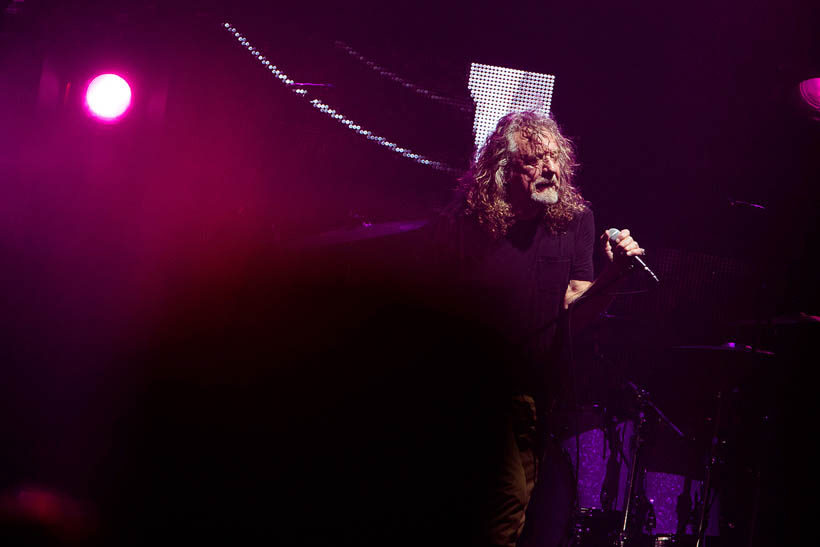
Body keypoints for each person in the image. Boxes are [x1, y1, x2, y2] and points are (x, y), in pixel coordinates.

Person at [426, 110, 645, 546]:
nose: (549, 169)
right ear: (504, 169)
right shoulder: (468, 221)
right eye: (534, 160)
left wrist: (614, 275)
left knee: (515, 509)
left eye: (554, 159)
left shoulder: (575, 220)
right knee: (503, 505)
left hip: (535, 392)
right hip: (474, 390)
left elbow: (573, 311)